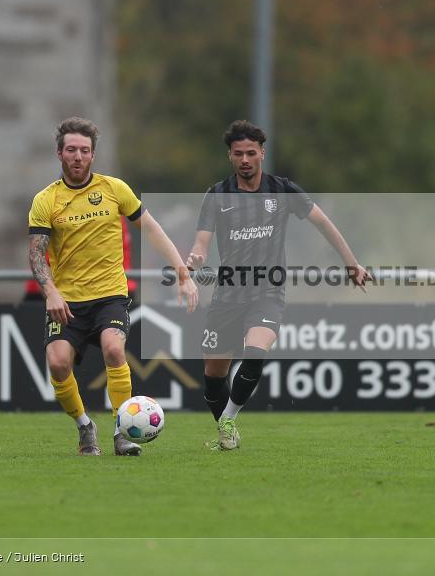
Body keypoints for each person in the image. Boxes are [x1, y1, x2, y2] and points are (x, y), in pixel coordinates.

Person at [187, 120, 370, 451]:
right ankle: (226, 428)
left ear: (262, 154)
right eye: (239, 154)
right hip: (228, 295)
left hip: (267, 292)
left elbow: (324, 224)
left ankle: (228, 420)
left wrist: (351, 262)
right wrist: (196, 256)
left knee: (256, 353)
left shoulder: (283, 190)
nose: (245, 160)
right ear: (230, 156)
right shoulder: (216, 195)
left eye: (251, 153)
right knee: (214, 377)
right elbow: (202, 242)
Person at [28, 117, 197, 457]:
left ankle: (122, 432)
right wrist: (51, 292)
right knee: (58, 364)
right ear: (59, 154)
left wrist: (182, 270)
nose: (78, 156)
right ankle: (84, 426)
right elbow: (36, 254)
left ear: (93, 155)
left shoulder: (114, 189)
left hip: (110, 296)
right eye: (72, 150)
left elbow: (150, 228)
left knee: (114, 350)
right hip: (68, 303)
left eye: (85, 150)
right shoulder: (46, 200)